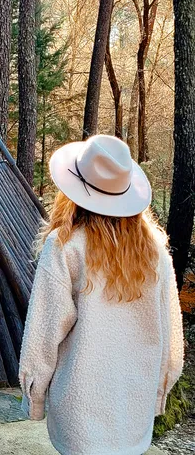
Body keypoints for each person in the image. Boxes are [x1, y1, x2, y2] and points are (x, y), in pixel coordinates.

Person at [19, 135, 185, 455]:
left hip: (80, 403)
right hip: (133, 405)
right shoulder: (156, 253)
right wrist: (160, 390)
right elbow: (171, 335)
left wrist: (34, 394)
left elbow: (44, 328)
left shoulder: (65, 245)